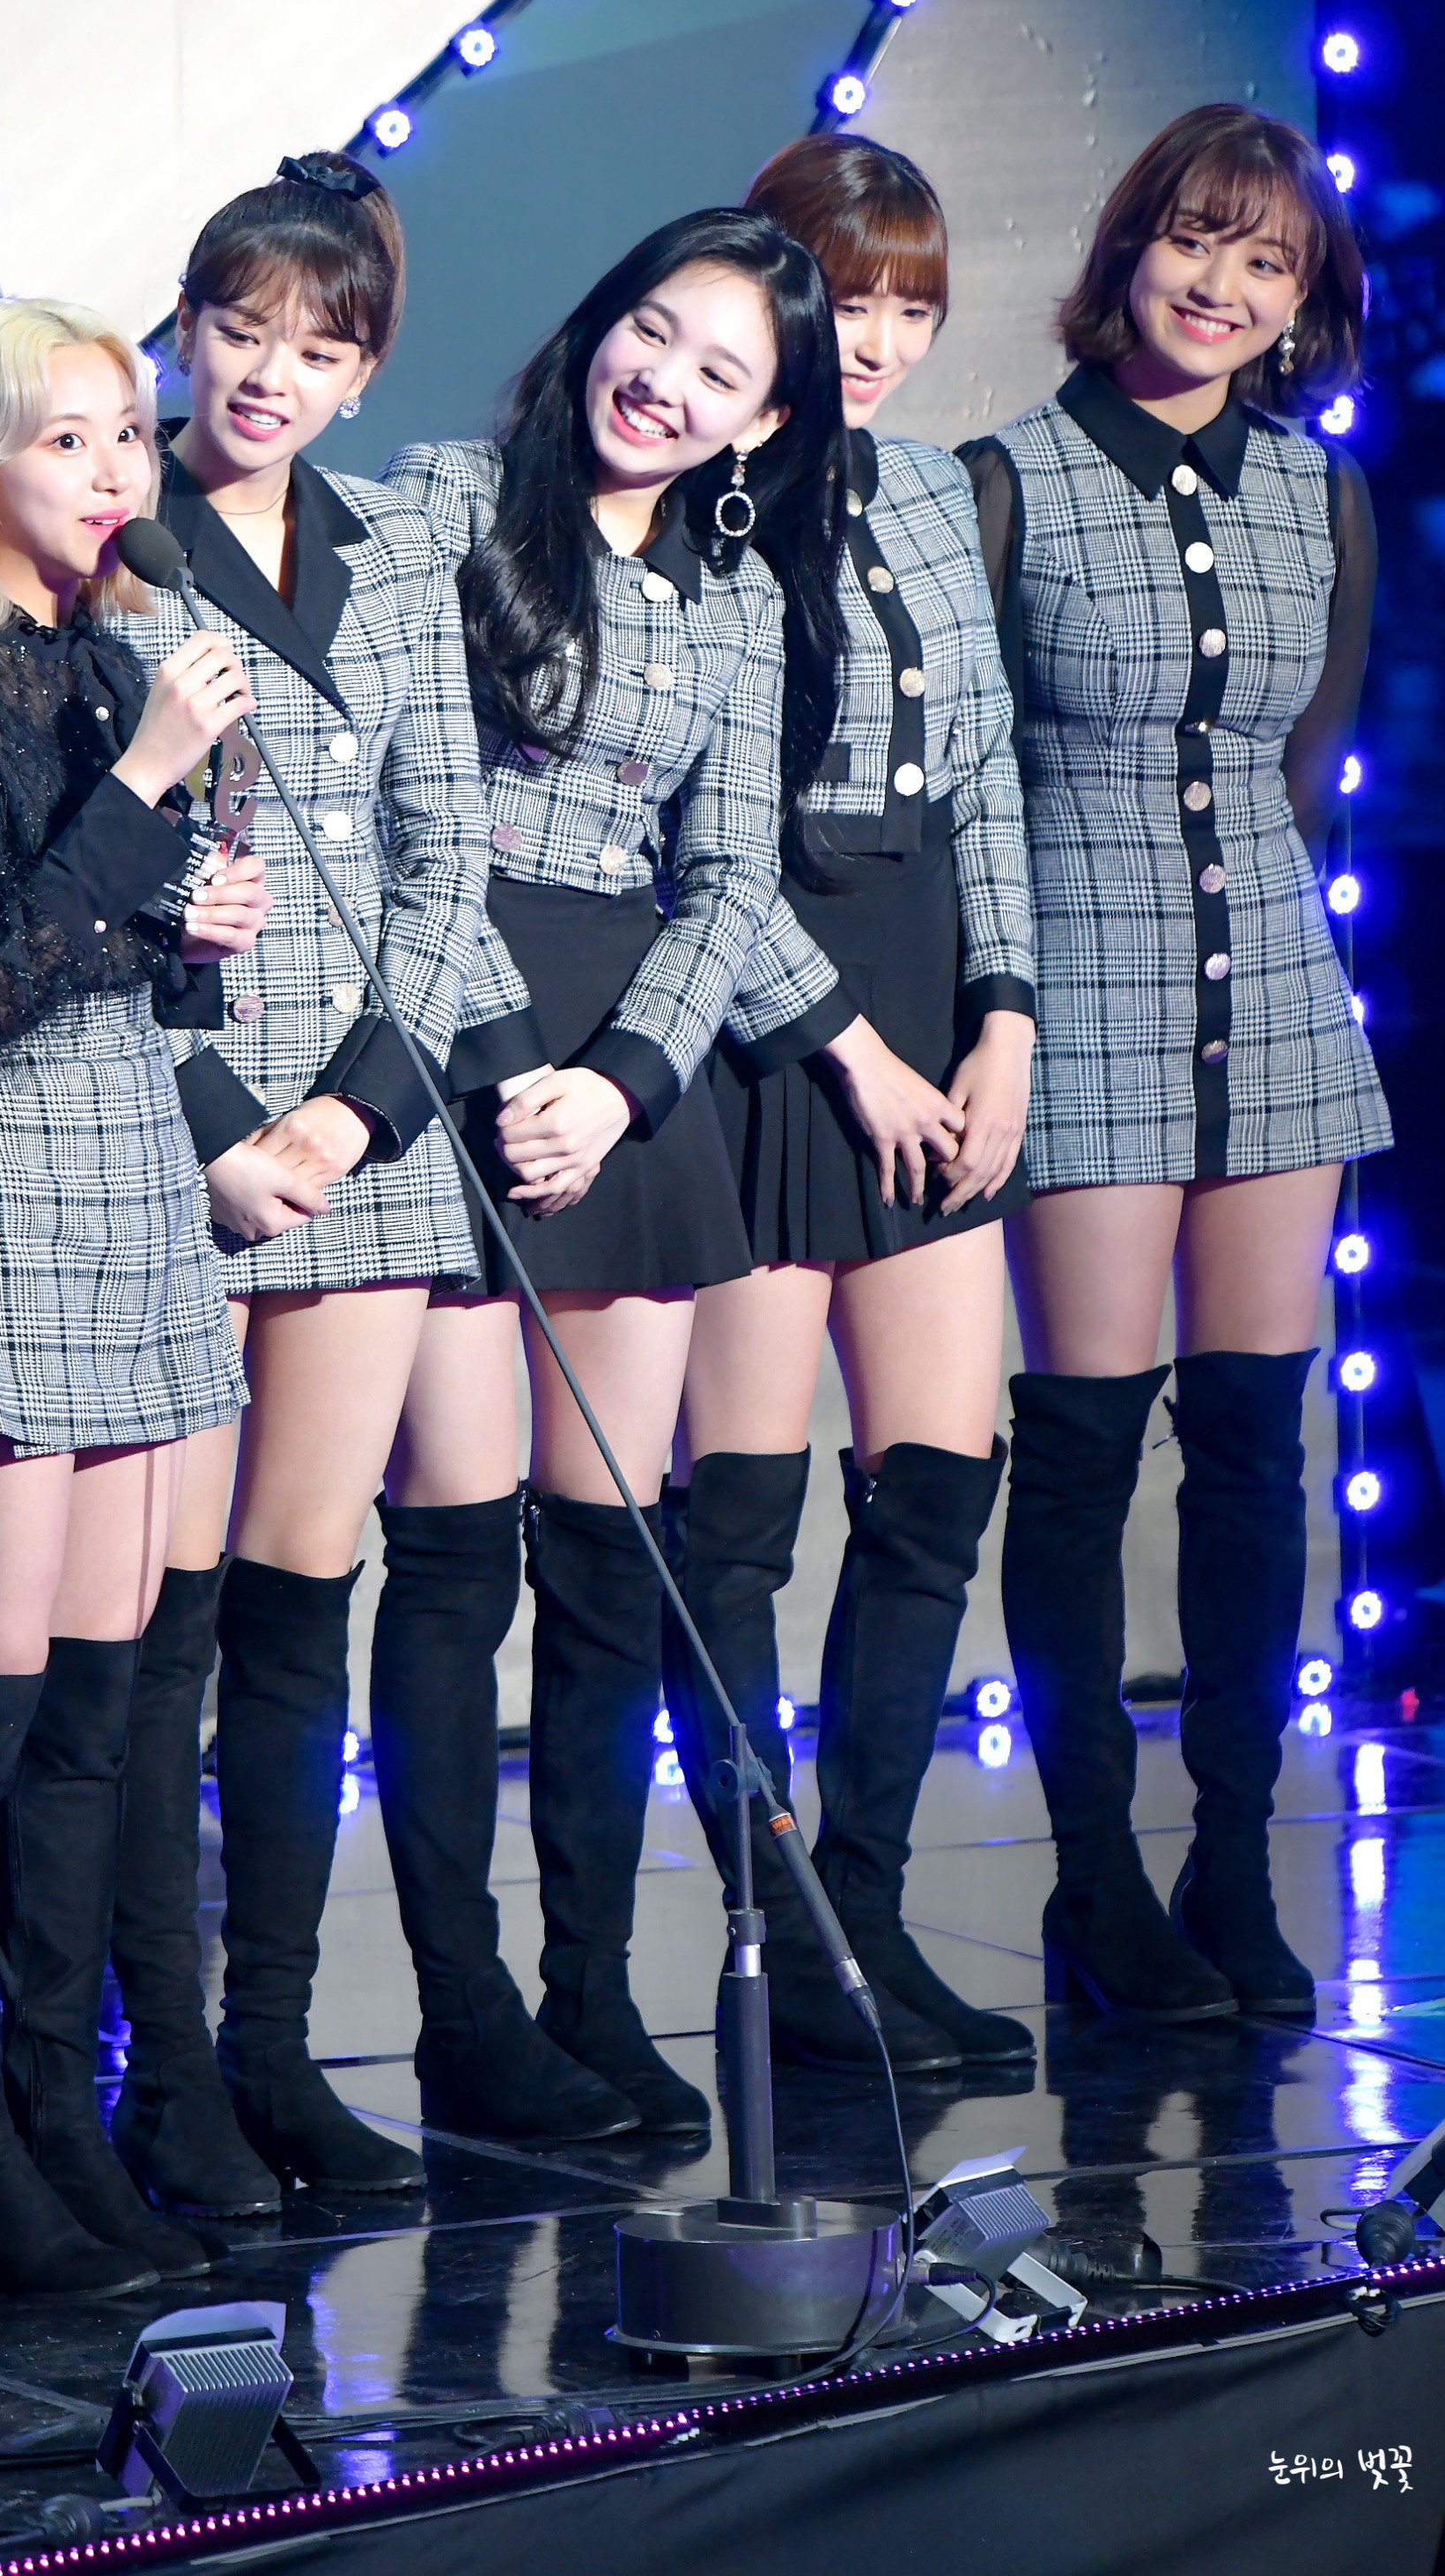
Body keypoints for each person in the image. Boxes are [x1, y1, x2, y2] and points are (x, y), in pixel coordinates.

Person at [107, 156, 549, 2213]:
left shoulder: (387, 552)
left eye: (315, 343)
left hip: (360, 1135)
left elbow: (447, 865)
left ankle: (272, 2049)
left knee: (301, 1602)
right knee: (160, 1624)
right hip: (170, 1125)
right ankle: (157, 2068)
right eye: (239, 328)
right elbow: (72, 854)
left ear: (364, 373)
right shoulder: (112, 536)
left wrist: (356, 1113)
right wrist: (219, 1120)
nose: (268, 372)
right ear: (186, 330)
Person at [386, 209, 852, 2136]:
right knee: (448, 1559)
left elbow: (729, 877)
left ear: (761, 423)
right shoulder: (440, 507)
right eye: (649, 329)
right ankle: (461, 2011)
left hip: (626, 1074)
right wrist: (514, 1073)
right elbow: (412, 811)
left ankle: (591, 1996)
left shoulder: (737, 597)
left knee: (606, 1565)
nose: (661, 379)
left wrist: (626, 1082)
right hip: (435, 1029)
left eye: (717, 369)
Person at [0, 297, 269, 2299]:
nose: (115, 473)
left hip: (127, 1170)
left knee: (100, 1708)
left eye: (126, 436)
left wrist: (200, 925)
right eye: (67, 439)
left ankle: (62, 2125)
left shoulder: (111, 665)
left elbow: (112, 955)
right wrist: (145, 790)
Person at [962, 107, 1386, 2026]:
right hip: (1080, 995)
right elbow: (969, 782)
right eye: (1196, 241)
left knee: (1251, 1447)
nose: (1221, 285)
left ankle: (1231, 1856)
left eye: (1266, 260)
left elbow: (1311, 751)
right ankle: (1094, 1879)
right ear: (1128, 245)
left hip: (1275, 998)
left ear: (1303, 300)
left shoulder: (1321, 495)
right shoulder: (1008, 481)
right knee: (1077, 1449)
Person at [666, 136, 1036, 2081]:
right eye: (847, 298)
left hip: (926, 977)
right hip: (755, 1018)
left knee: (937, 1480)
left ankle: (868, 1909)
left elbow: (986, 779)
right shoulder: (702, 505)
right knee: (736, 1512)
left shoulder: (931, 491)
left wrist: (1008, 1015)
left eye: (910, 305)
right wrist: (845, 1045)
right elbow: (691, 832)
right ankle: (783, 1929)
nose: (876, 340)